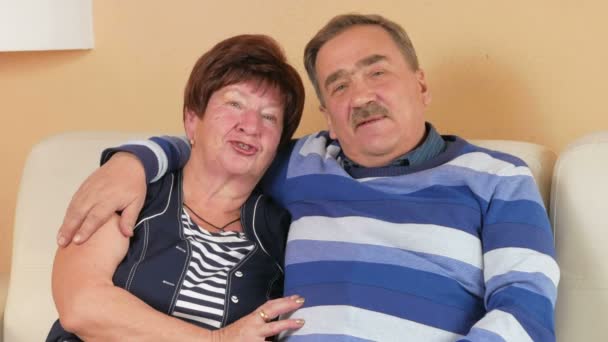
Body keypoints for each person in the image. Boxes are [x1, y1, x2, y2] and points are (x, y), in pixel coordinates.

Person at [57, 14, 559, 341]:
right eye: (339, 85)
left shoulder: (496, 178)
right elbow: (216, 150)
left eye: (377, 71)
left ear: (420, 83)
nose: (360, 95)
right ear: (327, 112)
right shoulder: (304, 164)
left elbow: (525, 312)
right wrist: (134, 161)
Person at [47, 34, 308, 342]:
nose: (250, 126)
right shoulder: (133, 190)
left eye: (269, 117)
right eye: (235, 103)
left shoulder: (283, 232)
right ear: (191, 120)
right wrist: (215, 340)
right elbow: (82, 307)